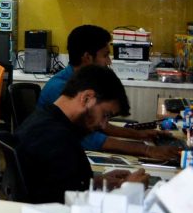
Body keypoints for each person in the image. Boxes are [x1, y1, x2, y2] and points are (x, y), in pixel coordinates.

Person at [36, 25, 179, 161]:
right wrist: (147, 150)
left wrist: (139, 135)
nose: (109, 62)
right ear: (87, 57)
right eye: (105, 55)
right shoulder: (62, 89)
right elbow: (89, 139)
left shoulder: (80, 83)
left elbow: (97, 124)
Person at [16, 65, 149, 204]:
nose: (104, 125)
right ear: (86, 98)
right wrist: (129, 190)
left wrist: (96, 182)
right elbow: (73, 208)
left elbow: (62, 187)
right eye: (105, 115)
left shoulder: (45, 120)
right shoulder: (57, 139)